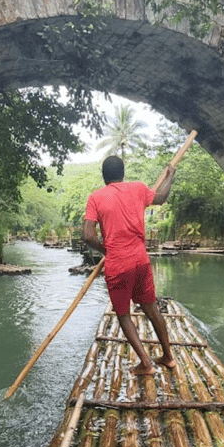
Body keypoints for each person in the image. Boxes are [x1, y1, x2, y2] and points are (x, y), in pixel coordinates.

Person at [83, 155, 177, 375]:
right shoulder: (139, 188)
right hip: (141, 261)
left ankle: (145, 363)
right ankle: (168, 357)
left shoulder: (96, 197)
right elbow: (162, 197)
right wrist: (170, 176)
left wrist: (105, 249)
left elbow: (88, 236)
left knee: (124, 314)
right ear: (123, 173)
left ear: (104, 176)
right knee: (151, 308)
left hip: (118, 264)